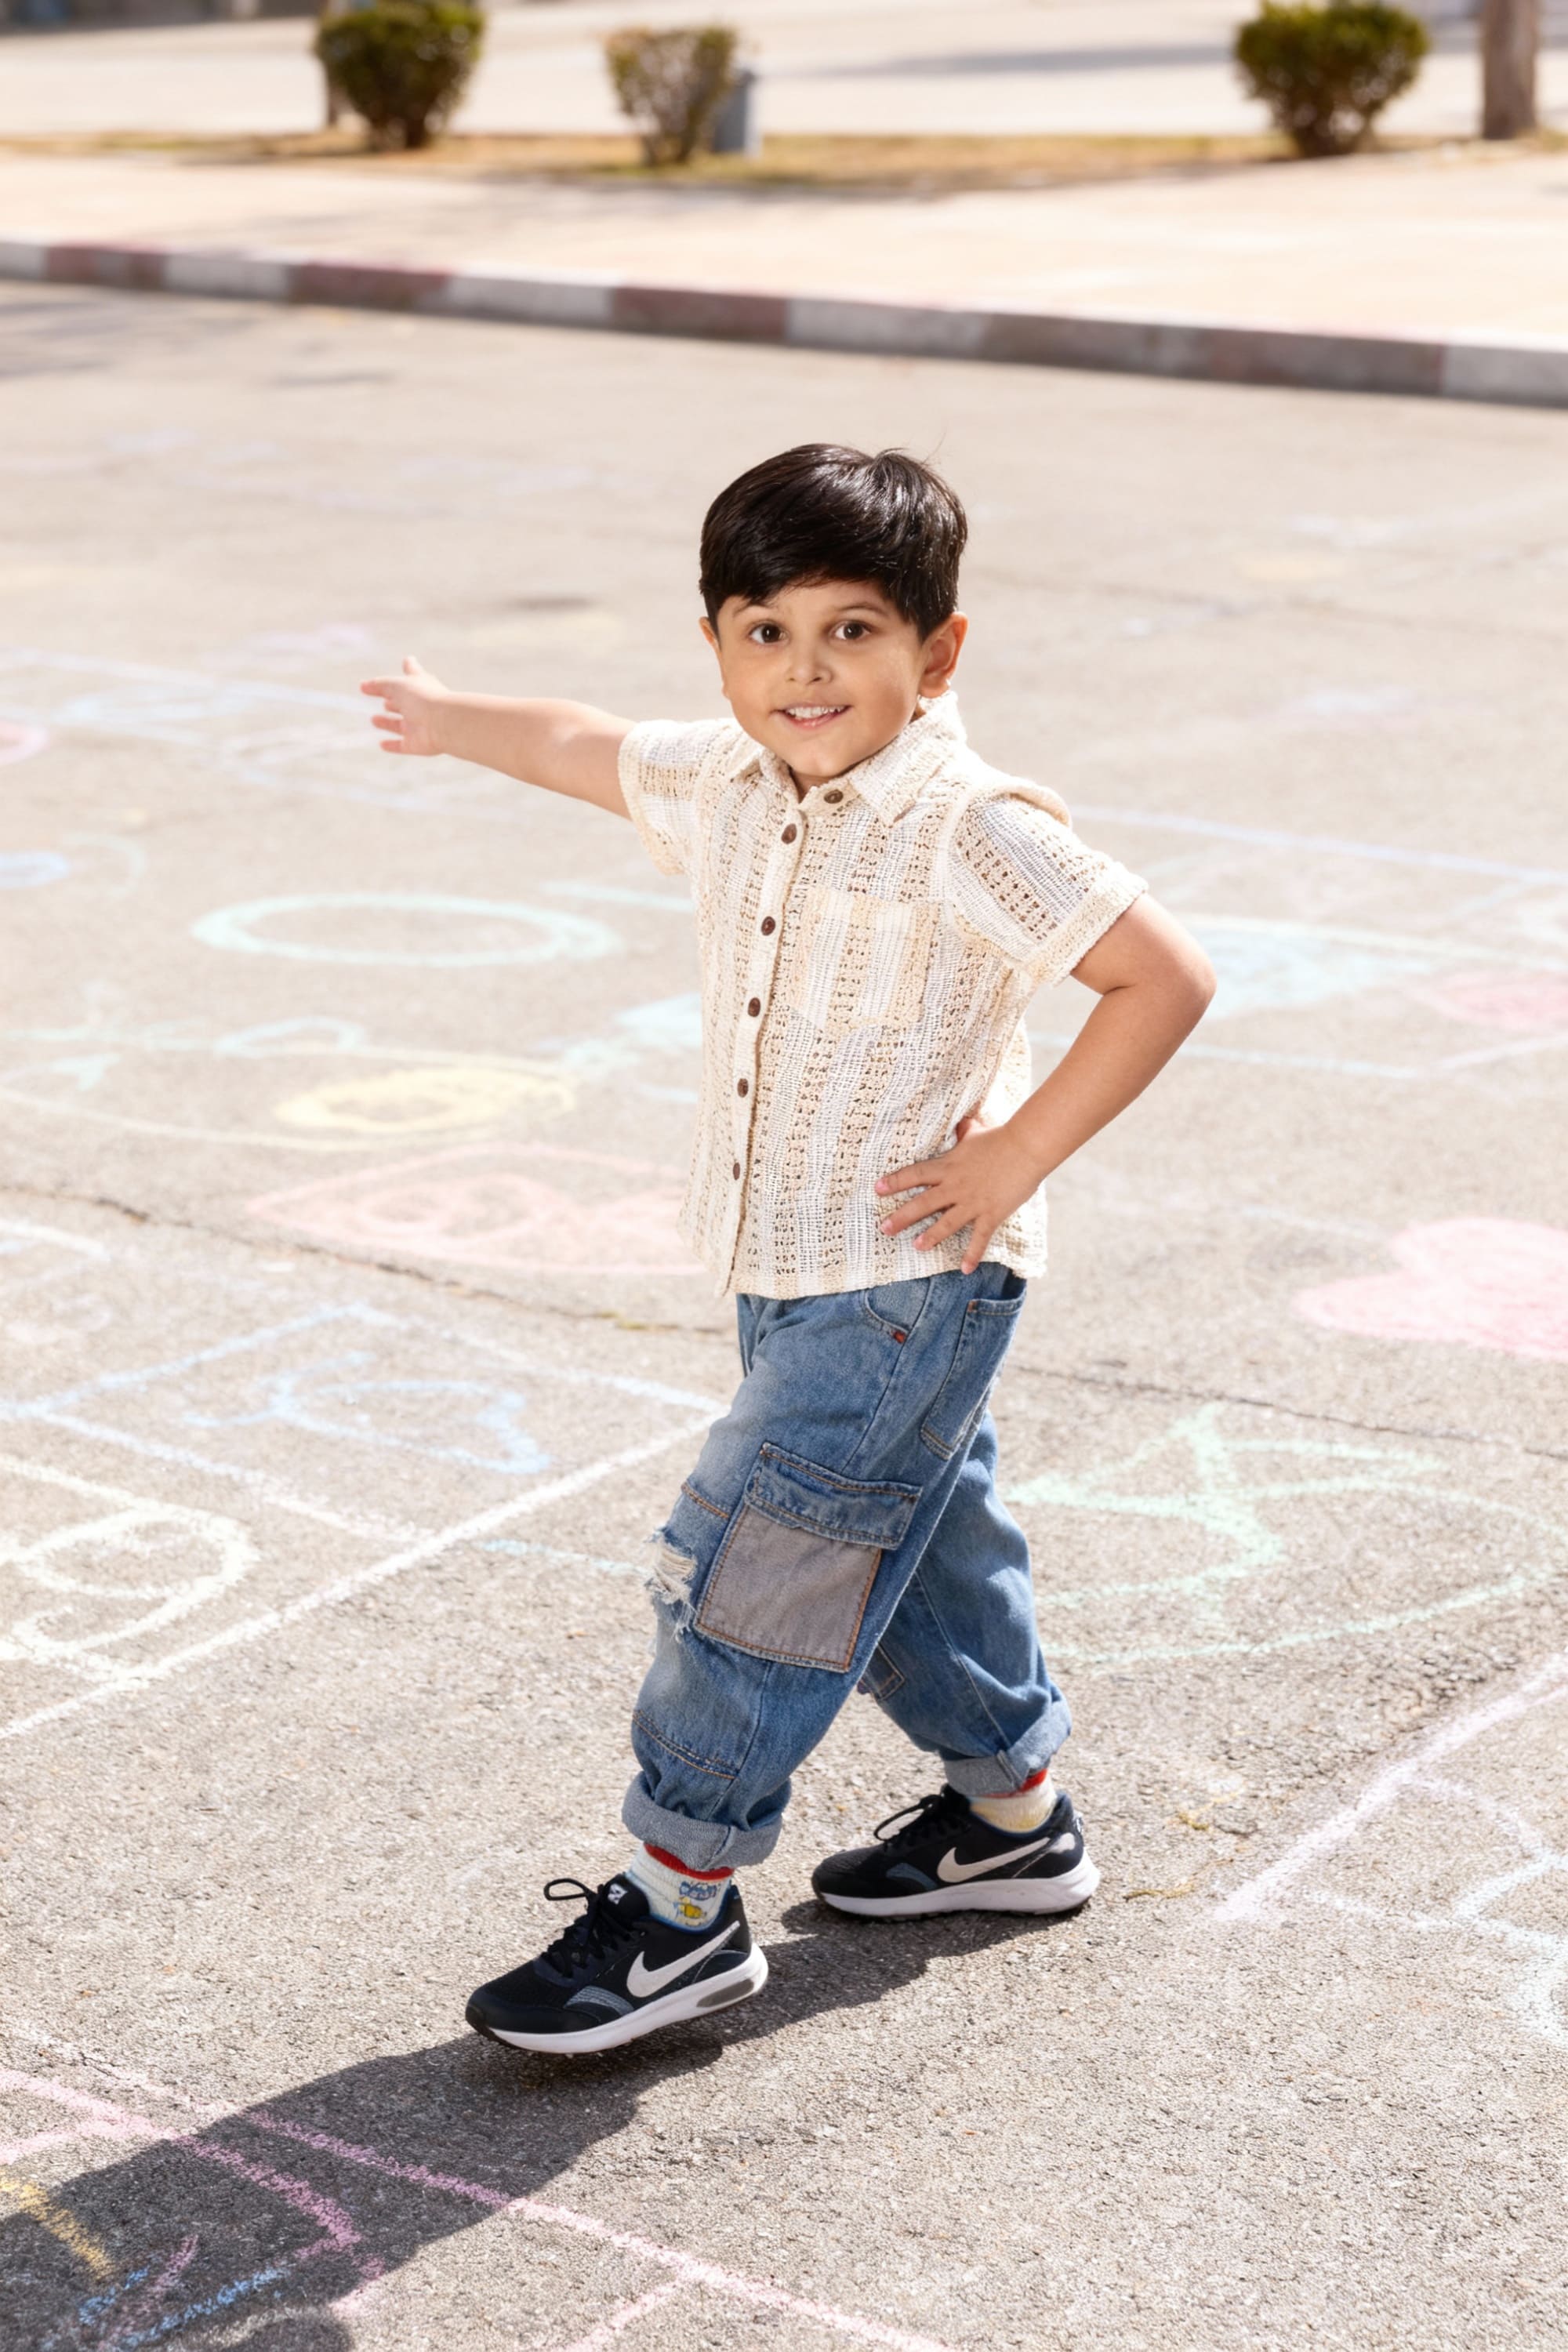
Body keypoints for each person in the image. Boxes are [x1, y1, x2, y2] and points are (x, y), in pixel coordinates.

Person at [361, 443, 1214, 2056]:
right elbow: (583, 742)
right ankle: (1010, 1818)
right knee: (909, 1554)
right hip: (783, 1265)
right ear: (718, 644)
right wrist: (450, 715)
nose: (804, 672)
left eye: (851, 633)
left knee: (755, 1571)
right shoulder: (731, 782)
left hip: (905, 1283)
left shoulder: (968, 826)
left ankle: (681, 1902)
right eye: (765, 633)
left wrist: (1016, 1153)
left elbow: (1162, 977)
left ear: (936, 652)